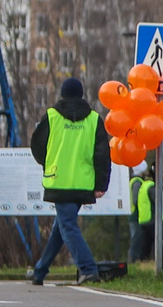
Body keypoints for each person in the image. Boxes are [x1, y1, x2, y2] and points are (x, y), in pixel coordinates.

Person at [28, 77, 113, 287]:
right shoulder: (94, 119)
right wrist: (101, 184)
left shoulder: (51, 115)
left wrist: (48, 164)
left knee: (66, 224)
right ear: (81, 95)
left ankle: (88, 268)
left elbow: (37, 145)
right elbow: (103, 154)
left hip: (58, 180)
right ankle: (40, 271)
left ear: (63, 94)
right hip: (83, 182)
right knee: (62, 225)